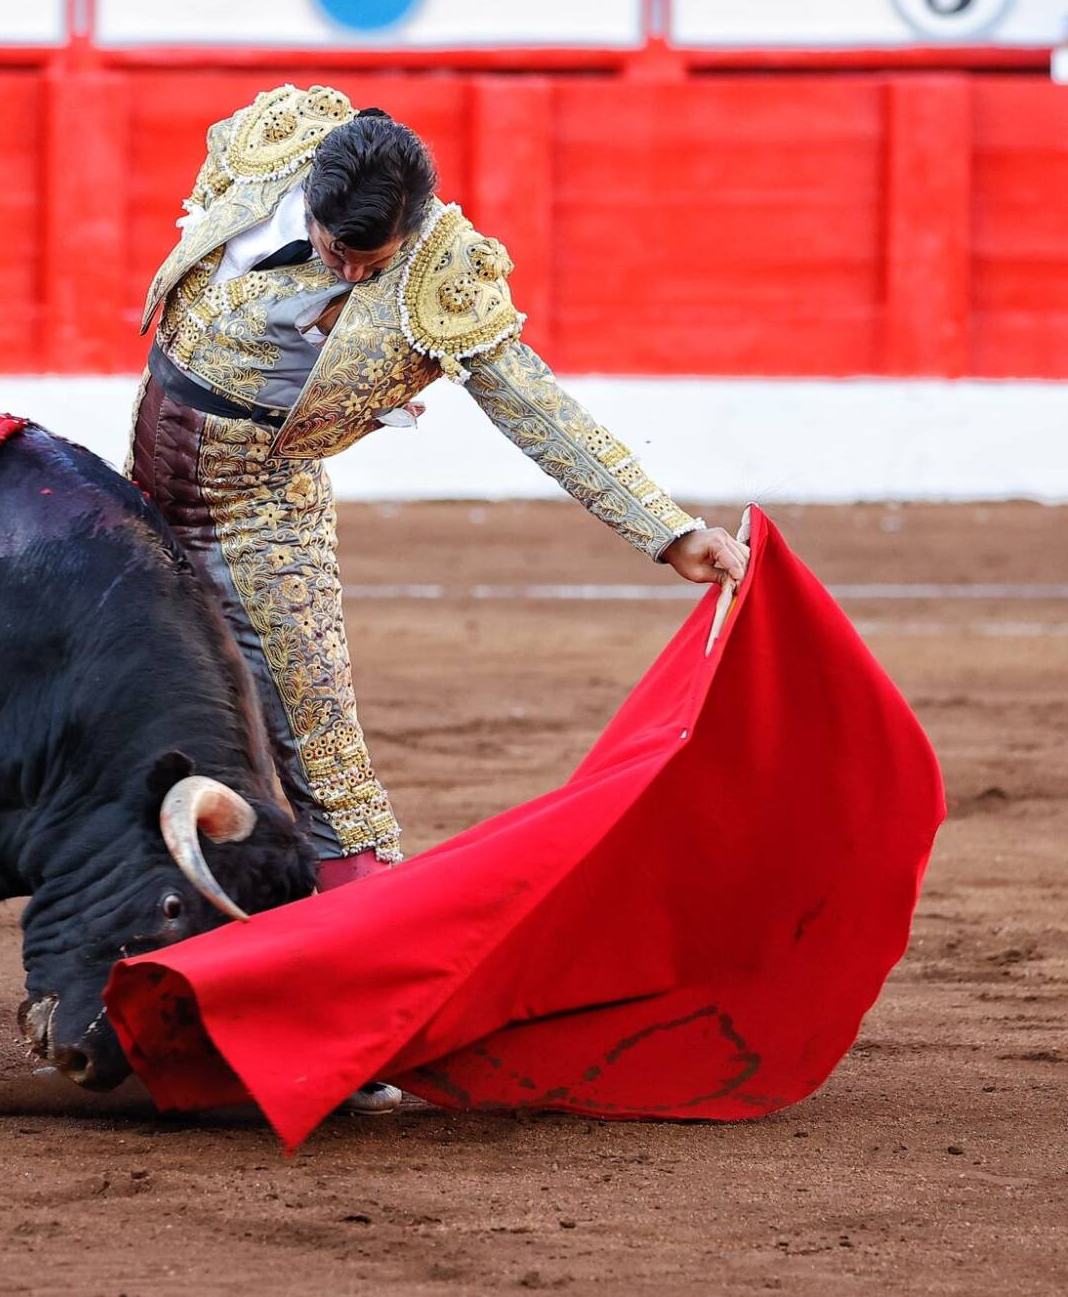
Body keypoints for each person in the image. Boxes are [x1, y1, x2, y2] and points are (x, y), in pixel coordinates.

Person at [131, 83, 744, 910]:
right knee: (145, 693)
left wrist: (668, 531)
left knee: (320, 747)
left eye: (370, 264)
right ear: (309, 191)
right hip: (147, 469)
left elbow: (535, 407)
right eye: (336, 250)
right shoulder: (271, 144)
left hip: (261, 513)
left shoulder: (441, 271)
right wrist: (355, 383)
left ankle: (362, 926)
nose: (349, 272)